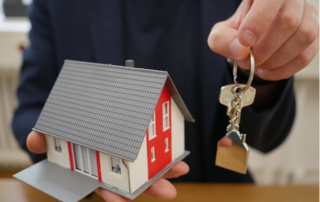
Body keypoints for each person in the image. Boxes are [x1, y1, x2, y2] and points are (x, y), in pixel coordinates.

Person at [12, 0, 319, 201]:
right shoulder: (56, 5)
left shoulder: (247, 4)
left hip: (220, 191)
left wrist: (261, 72)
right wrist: (83, 155)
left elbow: (269, 136)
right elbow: (30, 112)